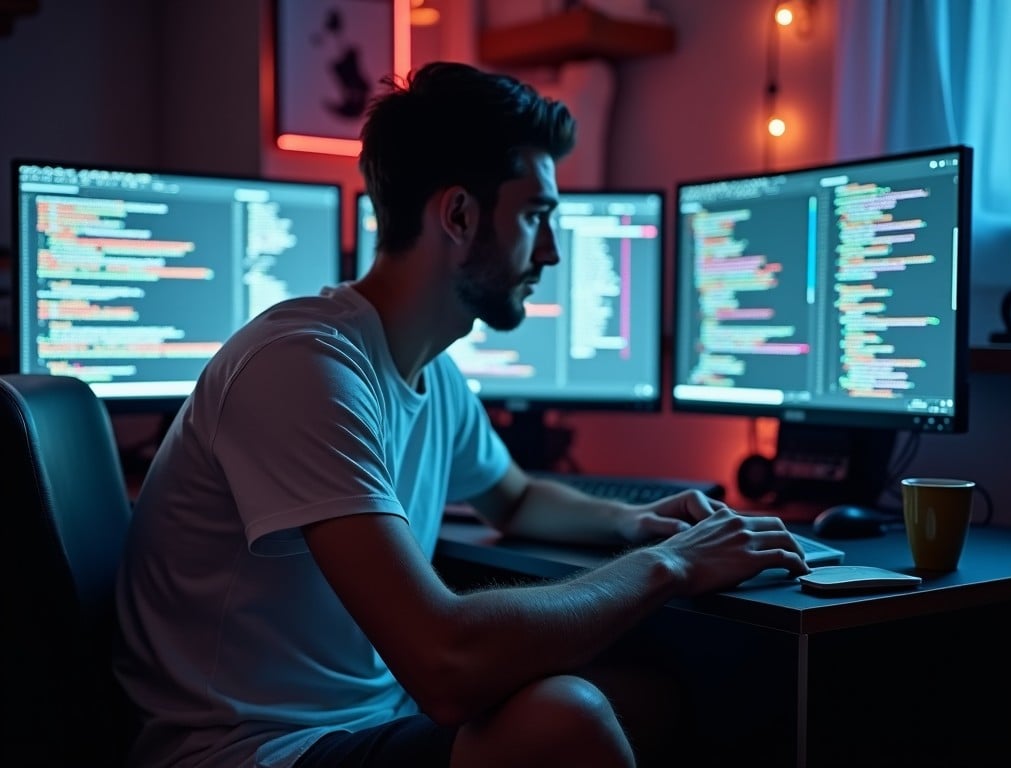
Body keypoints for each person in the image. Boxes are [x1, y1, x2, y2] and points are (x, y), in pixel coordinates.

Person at [114, 60, 810, 768]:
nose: (553, 251)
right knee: (566, 720)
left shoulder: (428, 368)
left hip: (365, 721)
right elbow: (445, 665)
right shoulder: (301, 365)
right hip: (253, 750)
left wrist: (634, 523)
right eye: (536, 215)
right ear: (459, 215)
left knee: (656, 700)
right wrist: (669, 566)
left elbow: (514, 497)